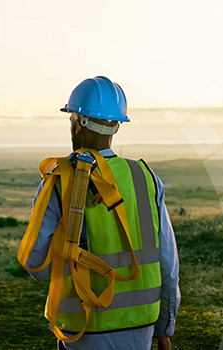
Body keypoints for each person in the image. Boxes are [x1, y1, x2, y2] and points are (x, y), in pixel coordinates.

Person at [19, 76, 180, 350]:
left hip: (84, 329)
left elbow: (37, 265)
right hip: (141, 328)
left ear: (78, 122)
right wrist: (164, 326)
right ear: (116, 126)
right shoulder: (146, 177)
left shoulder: (59, 179)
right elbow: (168, 263)